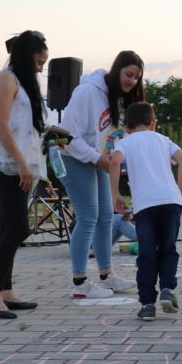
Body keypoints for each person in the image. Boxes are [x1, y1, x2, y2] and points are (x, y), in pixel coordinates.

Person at [58, 51, 144, 299]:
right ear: (117, 70)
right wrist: (97, 158)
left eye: (137, 78)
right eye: (129, 74)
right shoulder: (88, 92)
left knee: (106, 217)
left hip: (97, 160)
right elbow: (66, 137)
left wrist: (111, 160)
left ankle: (106, 276)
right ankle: (79, 283)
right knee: (88, 217)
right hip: (73, 157)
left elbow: (111, 137)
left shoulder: (117, 99)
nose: (132, 81)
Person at [0, 30, 48, 319]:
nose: (41, 69)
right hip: (6, 162)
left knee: (9, 226)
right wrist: (21, 163)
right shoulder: (5, 79)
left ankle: (5, 291)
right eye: (39, 62)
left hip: (19, 163)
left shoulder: (21, 82)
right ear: (26, 55)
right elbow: (0, 124)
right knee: (19, 228)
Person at [109, 102, 182, 321]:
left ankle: (147, 304)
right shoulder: (164, 139)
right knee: (168, 248)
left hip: (145, 205)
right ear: (153, 123)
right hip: (171, 201)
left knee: (147, 253)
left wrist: (115, 194)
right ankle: (167, 289)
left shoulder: (126, 141)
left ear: (127, 128)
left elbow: (114, 161)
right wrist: (179, 189)